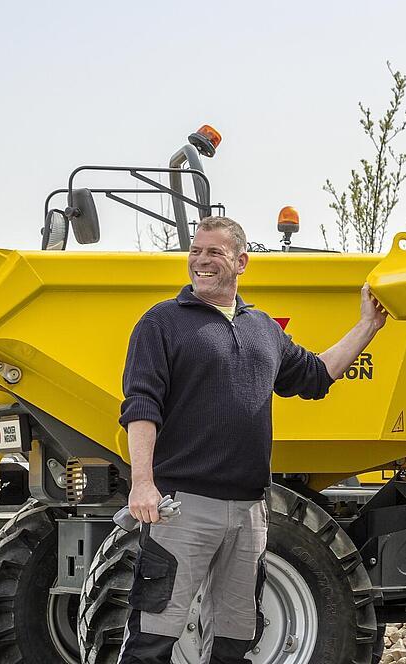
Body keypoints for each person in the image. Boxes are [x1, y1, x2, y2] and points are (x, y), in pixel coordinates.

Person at [117, 215, 388, 663]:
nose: (201, 262)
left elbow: (318, 376)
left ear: (241, 262)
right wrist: (142, 483)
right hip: (182, 509)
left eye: (214, 253)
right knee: (152, 639)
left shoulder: (264, 329)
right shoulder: (161, 323)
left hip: (249, 512)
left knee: (236, 641)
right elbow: (141, 405)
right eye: (196, 252)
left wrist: (368, 326)